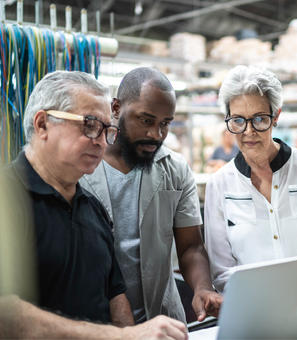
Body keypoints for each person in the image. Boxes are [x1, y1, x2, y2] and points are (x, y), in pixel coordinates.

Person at [0, 71, 187, 340]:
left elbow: (114, 296)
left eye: (107, 130)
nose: (100, 141)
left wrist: (132, 334)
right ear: (42, 125)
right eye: (89, 125)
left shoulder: (92, 209)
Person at [80, 67, 222, 324]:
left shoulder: (175, 169)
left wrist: (202, 287)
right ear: (115, 108)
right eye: (145, 120)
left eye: (165, 124)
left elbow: (190, 246)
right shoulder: (81, 167)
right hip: (97, 325)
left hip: (163, 320)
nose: (156, 135)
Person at [204, 66, 297, 292]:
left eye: (259, 119)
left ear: (276, 116)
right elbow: (222, 271)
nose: (248, 131)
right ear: (228, 119)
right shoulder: (219, 184)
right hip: (254, 315)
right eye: (238, 121)